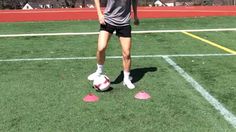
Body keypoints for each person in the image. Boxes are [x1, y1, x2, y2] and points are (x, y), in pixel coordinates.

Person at [88, 0, 139, 89]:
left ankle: (126, 79)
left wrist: (136, 16)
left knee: (126, 53)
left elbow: (134, 1)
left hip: (124, 23)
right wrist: (100, 14)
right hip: (108, 21)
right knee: (101, 48)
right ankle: (99, 71)